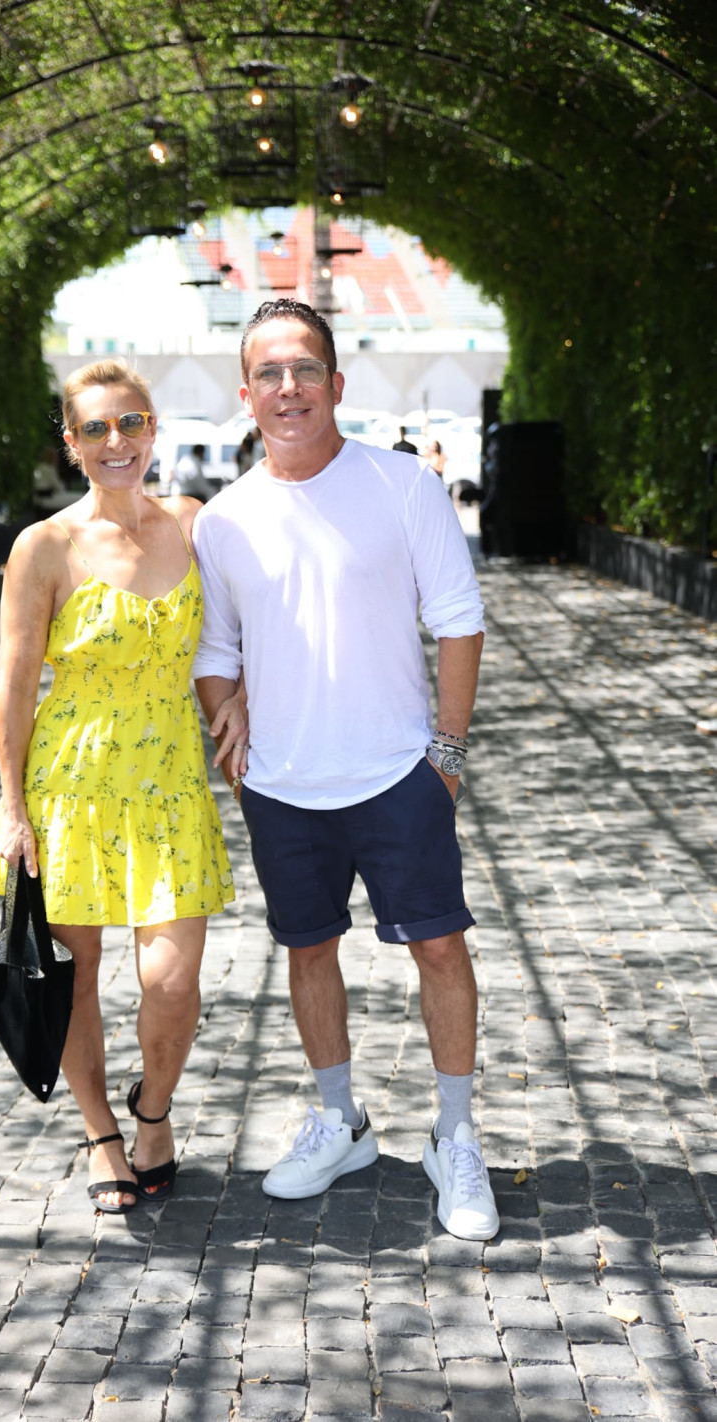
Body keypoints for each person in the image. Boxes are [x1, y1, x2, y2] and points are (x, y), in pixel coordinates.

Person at [192, 298, 499, 1241]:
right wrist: (224, 714)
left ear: (336, 381)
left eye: (306, 370)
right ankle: (342, 1119)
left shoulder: (403, 486)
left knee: (440, 948)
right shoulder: (226, 520)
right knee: (308, 949)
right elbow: (216, 649)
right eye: (270, 375)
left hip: (399, 773)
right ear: (247, 394)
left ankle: (455, 1135)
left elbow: (459, 621)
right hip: (283, 785)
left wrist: (443, 757)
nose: (290, 388)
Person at [0, 358, 246, 1215]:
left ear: (152, 429)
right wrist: (15, 811)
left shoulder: (194, 523)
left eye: (129, 423)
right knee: (77, 977)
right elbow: (15, 689)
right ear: (71, 444)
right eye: (94, 428)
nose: (115, 441)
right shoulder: (44, 546)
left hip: (170, 782)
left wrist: (240, 700)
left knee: (172, 983)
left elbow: (247, 624)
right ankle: (101, 1135)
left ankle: (152, 1111)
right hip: (72, 789)